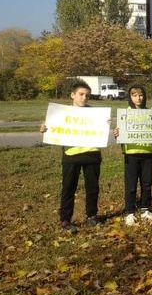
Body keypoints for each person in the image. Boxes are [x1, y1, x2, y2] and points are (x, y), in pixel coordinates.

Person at [40, 80, 104, 233]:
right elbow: (52, 128)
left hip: (92, 155)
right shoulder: (61, 114)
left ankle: (92, 216)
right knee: (68, 188)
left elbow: (101, 129)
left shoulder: (96, 114)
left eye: (87, 95)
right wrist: (44, 129)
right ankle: (65, 220)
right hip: (71, 155)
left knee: (93, 188)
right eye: (81, 94)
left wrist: (106, 123)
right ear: (72, 95)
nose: (84, 98)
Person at [112, 84, 152, 226]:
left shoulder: (151, 113)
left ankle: (145, 209)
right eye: (135, 95)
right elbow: (120, 133)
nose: (138, 98)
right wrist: (116, 133)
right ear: (130, 97)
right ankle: (130, 212)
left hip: (148, 152)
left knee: (147, 183)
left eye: (141, 95)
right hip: (131, 153)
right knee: (131, 185)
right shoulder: (125, 113)